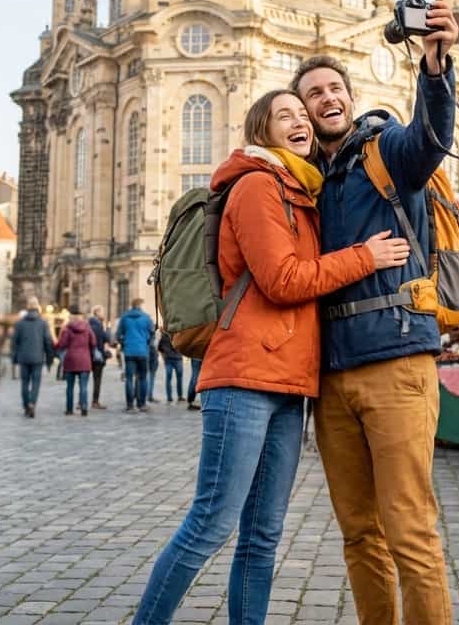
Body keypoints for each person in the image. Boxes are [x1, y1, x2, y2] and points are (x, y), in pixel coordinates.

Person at [133, 90, 409, 625]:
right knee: (211, 523)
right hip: (244, 377)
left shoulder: (300, 190)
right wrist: (365, 257)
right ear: (263, 130)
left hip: (288, 383)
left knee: (263, 535)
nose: (301, 121)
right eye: (286, 115)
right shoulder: (258, 185)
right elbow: (282, 280)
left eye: (303, 115)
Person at [291, 0, 459, 625]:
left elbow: (431, 139)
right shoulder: (304, 182)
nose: (327, 98)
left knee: (409, 530)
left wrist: (435, 68)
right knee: (359, 533)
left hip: (396, 361)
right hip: (332, 378)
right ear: (302, 112)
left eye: (334, 88)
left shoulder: (385, 150)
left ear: (350, 97)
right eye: (313, 93)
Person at [10, 296, 54, 418]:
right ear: (37, 306)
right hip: (37, 358)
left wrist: (14, 357)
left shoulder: (19, 323)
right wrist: (49, 358)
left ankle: (26, 405)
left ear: (27, 307)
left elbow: (14, 342)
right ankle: (32, 403)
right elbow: (48, 341)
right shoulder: (43, 323)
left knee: (24, 382)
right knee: (36, 382)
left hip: (23, 357)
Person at [55, 309, 97, 416]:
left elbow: (62, 344)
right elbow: (93, 342)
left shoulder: (67, 329)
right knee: (83, 386)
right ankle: (84, 407)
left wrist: (55, 346)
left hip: (71, 360)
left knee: (70, 387)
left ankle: (69, 409)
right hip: (84, 360)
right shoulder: (87, 328)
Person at [116, 299, 155, 413]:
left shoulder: (124, 317)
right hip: (143, 351)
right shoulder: (146, 318)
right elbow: (152, 334)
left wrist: (124, 343)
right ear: (140, 306)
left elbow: (118, 335)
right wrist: (146, 344)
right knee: (143, 378)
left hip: (129, 351)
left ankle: (130, 406)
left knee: (129, 379)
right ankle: (142, 404)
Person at [88, 306, 111, 410]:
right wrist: (108, 328)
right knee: (97, 380)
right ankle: (95, 401)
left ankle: (81, 401)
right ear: (97, 313)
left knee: (84, 380)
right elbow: (107, 338)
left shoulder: (88, 323)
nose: (103, 314)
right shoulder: (99, 325)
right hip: (98, 356)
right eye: (102, 312)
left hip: (88, 355)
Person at [158, 331, 183, 404]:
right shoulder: (178, 333)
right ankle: (179, 396)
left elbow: (160, 348)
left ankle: (170, 397)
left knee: (169, 378)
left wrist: (164, 355)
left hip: (171, 358)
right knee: (178, 378)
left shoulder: (164, 335)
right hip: (175, 358)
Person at [147, 329, 160, 404]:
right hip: (152, 355)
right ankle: (149, 396)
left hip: (146, 354)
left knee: (143, 376)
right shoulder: (155, 335)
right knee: (151, 377)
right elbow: (156, 346)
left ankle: (143, 395)